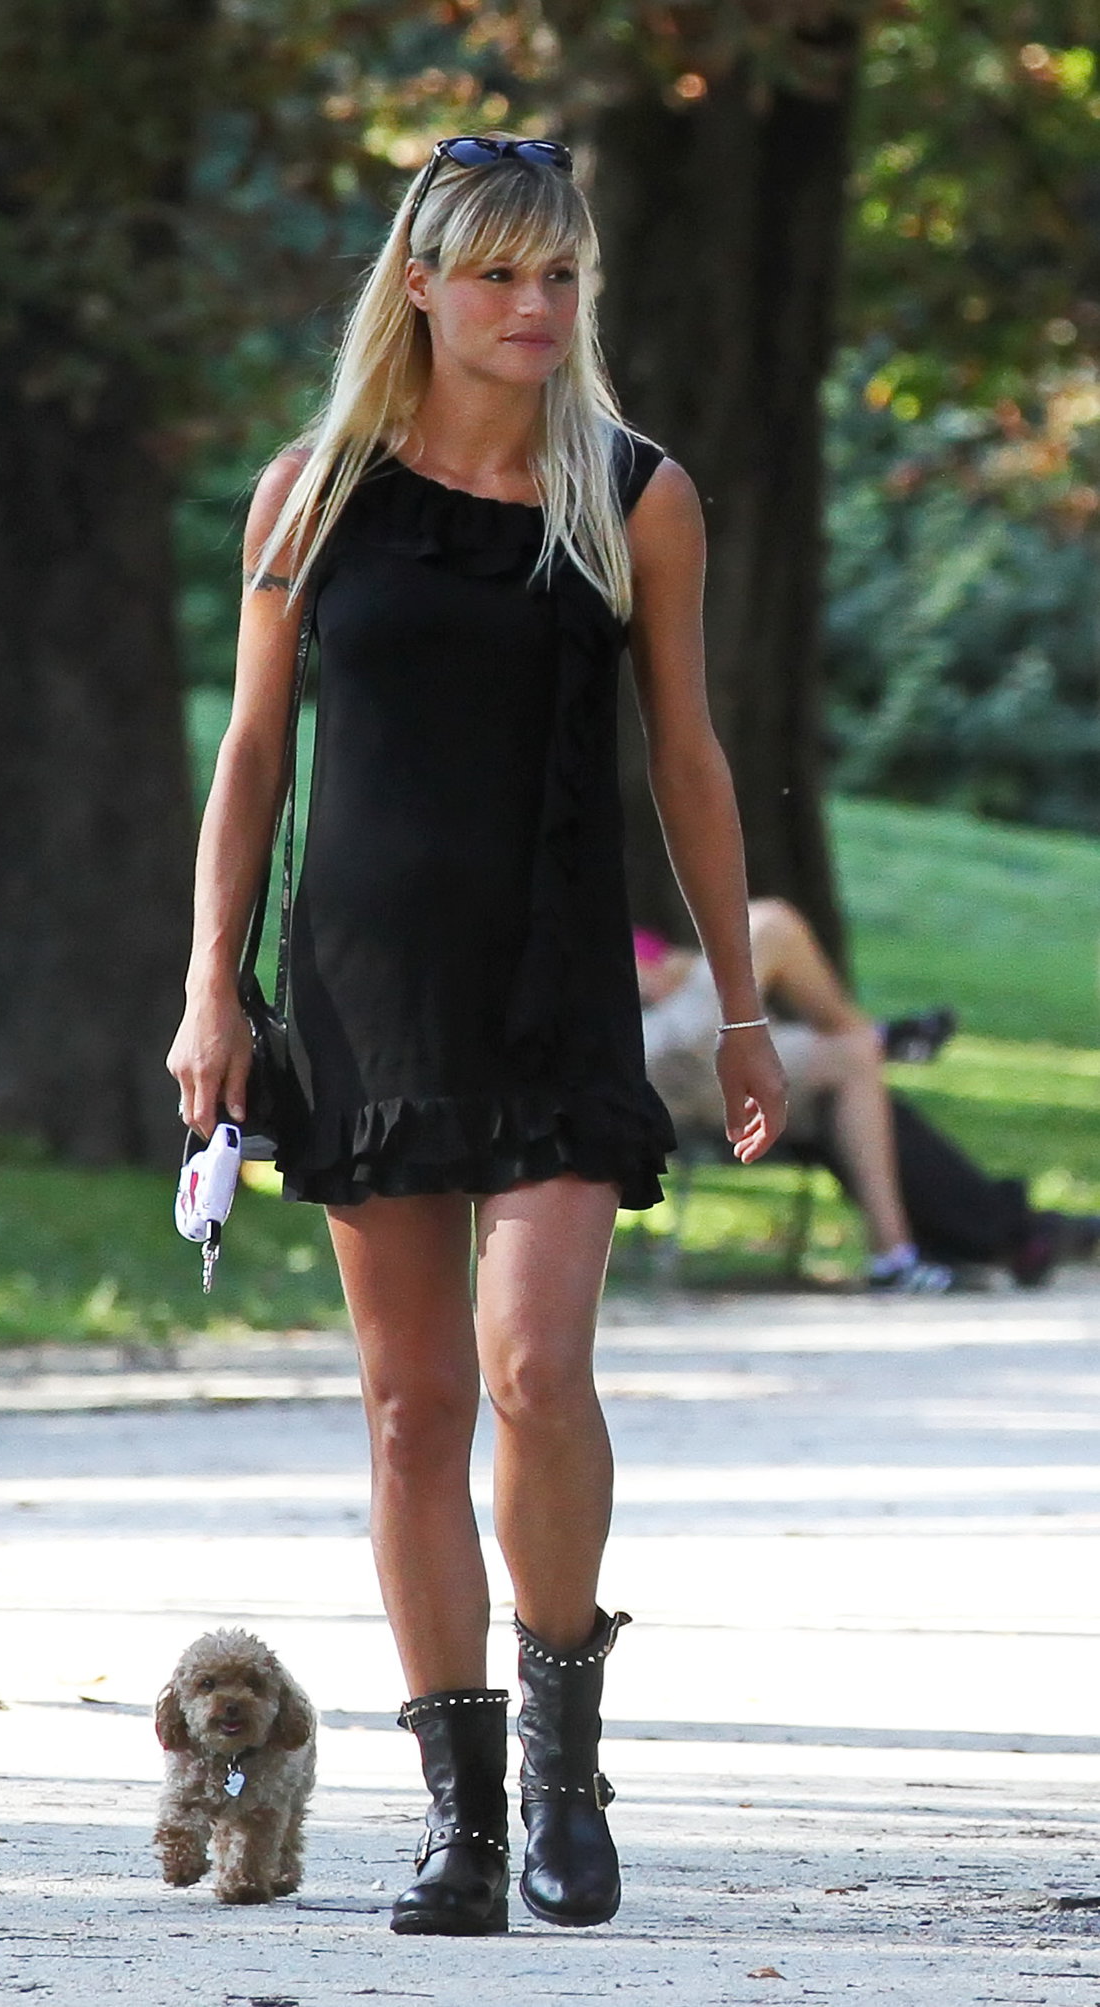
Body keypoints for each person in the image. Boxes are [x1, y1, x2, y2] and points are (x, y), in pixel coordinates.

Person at [168, 133, 786, 1937]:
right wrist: (212, 978)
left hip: (547, 988)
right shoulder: (311, 494)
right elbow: (251, 756)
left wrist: (738, 1004)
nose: (537, 307)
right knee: (405, 1405)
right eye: (500, 274)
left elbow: (686, 753)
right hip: (360, 996)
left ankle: (561, 1775)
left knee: (531, 1370)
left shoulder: (631, 494)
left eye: (562, 276)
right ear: (420, 285)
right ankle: (451, 1813)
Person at [637, 899, 1099, 1288]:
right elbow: (637, 982)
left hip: (691, 1053)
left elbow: (663, 970)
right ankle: (880, 1037)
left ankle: (899, 1258)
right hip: (632, 1059)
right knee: (771, 924)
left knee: (851, 1055)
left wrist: (675, 970)